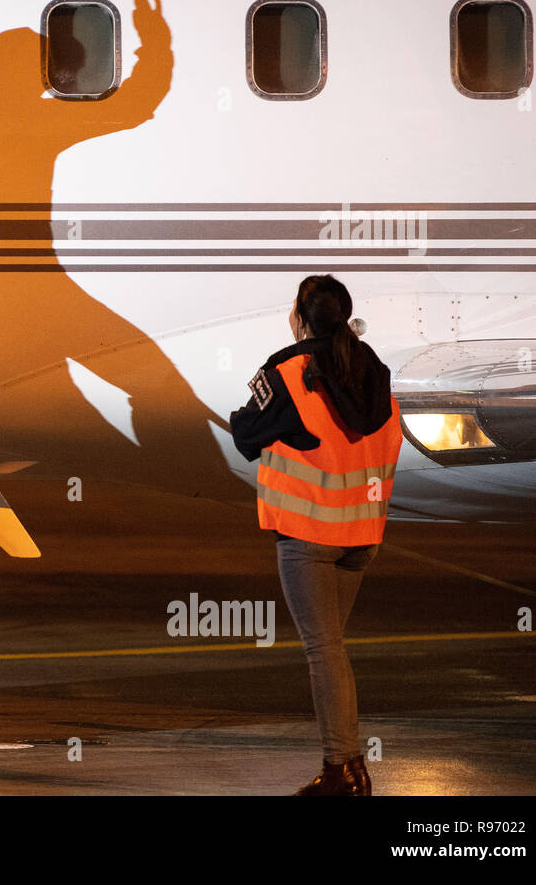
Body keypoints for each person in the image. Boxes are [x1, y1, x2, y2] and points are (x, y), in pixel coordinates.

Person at [230, 275, 402, 796]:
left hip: (309, 535)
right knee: (332, 649)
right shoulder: (373, 369)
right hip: (363, 536)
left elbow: (245, 434)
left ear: (299, 316)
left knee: (323, 651)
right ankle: (345, 769)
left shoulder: (288, 369)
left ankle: (345, 771)